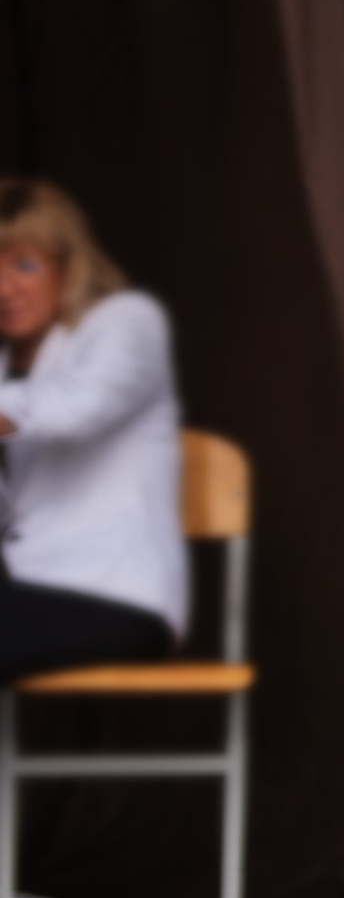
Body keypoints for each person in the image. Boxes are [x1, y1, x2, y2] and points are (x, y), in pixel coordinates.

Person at [0, 178, 188, 681]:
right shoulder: (6, 362)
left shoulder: (127, 322)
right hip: (21, 586)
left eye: (24, 264)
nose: (4, 288)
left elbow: (75, 409)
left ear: (69, 266)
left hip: (112, 593)